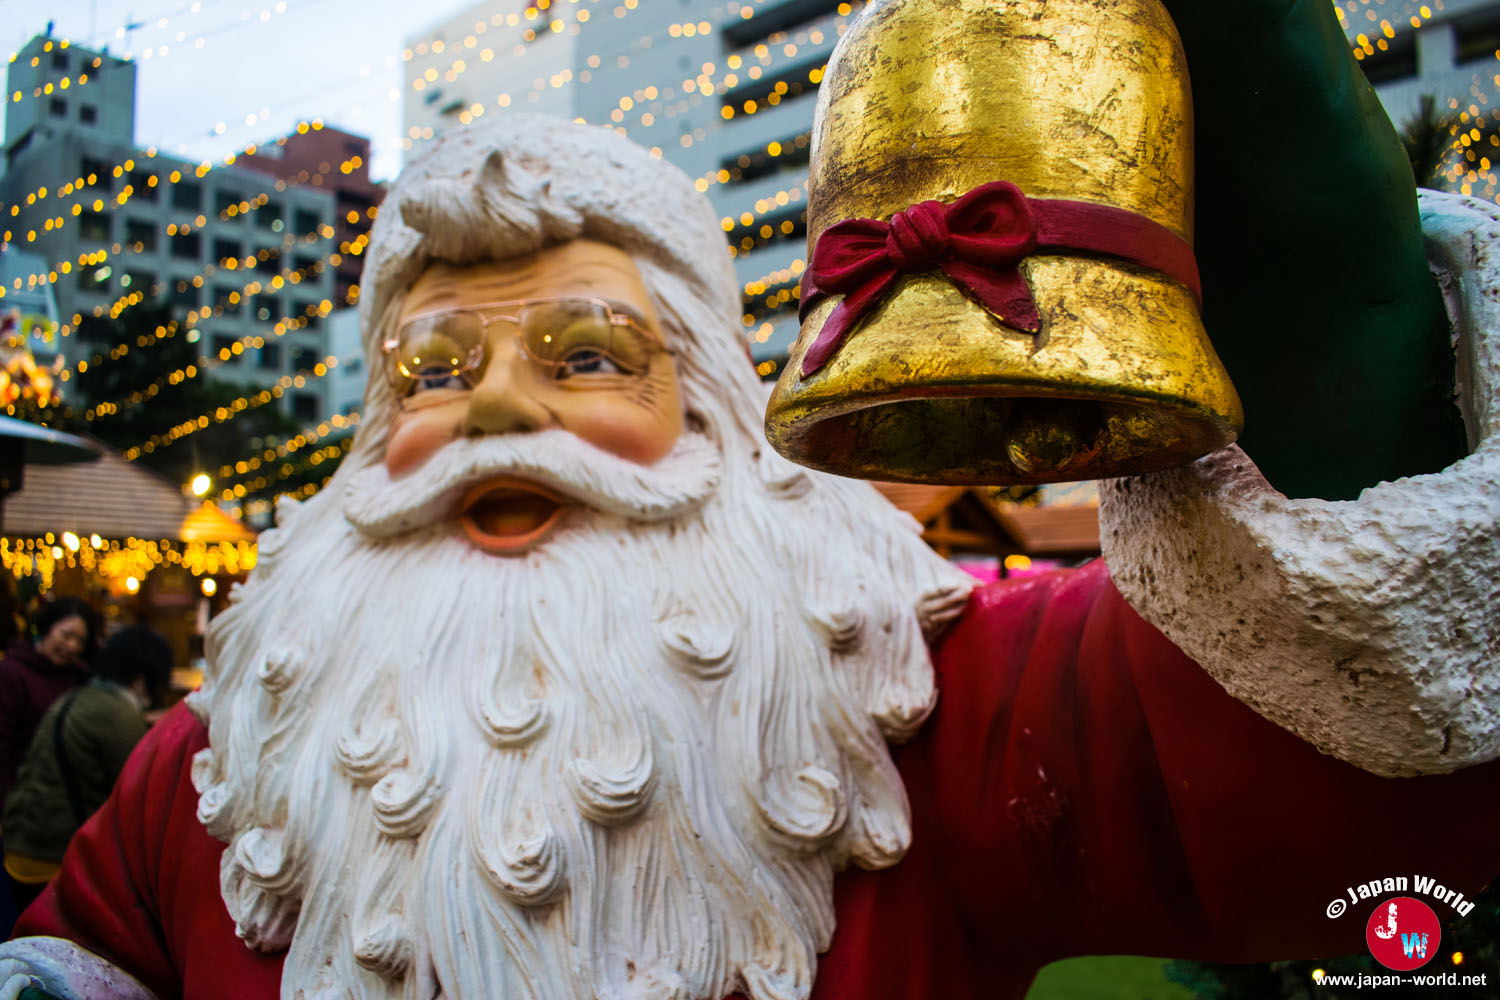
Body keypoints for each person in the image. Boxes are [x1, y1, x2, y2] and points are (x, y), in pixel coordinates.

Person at [1, 4, 1498, 999]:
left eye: (586, 353)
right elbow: (84, 954)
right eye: (434, 367)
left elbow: (1325, 717)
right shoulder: (222, 763)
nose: (501, 408)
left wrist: (1249, 86)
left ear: (717, 416)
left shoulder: (911, 694)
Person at [1, 627, 172, 913]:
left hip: (21, 844)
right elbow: (140, 798)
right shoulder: (118, 715)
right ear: (142, 680)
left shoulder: (79, 697)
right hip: (53, 858)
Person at [0, 598, 97, 811]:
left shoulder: (80, 676)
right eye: (66, 635)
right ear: (47, 629)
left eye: (80, 640)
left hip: (63, 802)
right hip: (22, 799)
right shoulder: (12, 673)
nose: (72, 645)